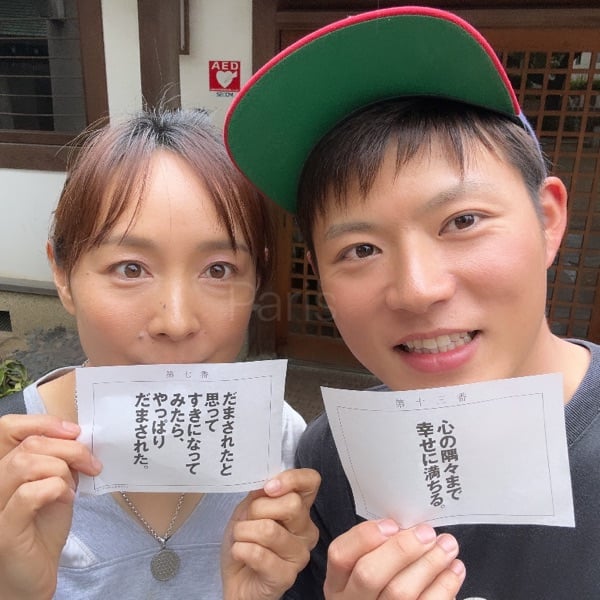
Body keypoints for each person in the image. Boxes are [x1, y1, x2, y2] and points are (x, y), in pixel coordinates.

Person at [225, 6, 599, 600]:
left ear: (548, 220)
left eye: (463, 220)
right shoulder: (331, 457)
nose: (418, 289)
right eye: (361, 249)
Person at [0, 108, 320, 599]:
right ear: (62, 275)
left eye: (218, 270)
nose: (176, 321)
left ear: (257, 280)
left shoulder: (282, 445)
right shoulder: (9, 468)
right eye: (130, 268)